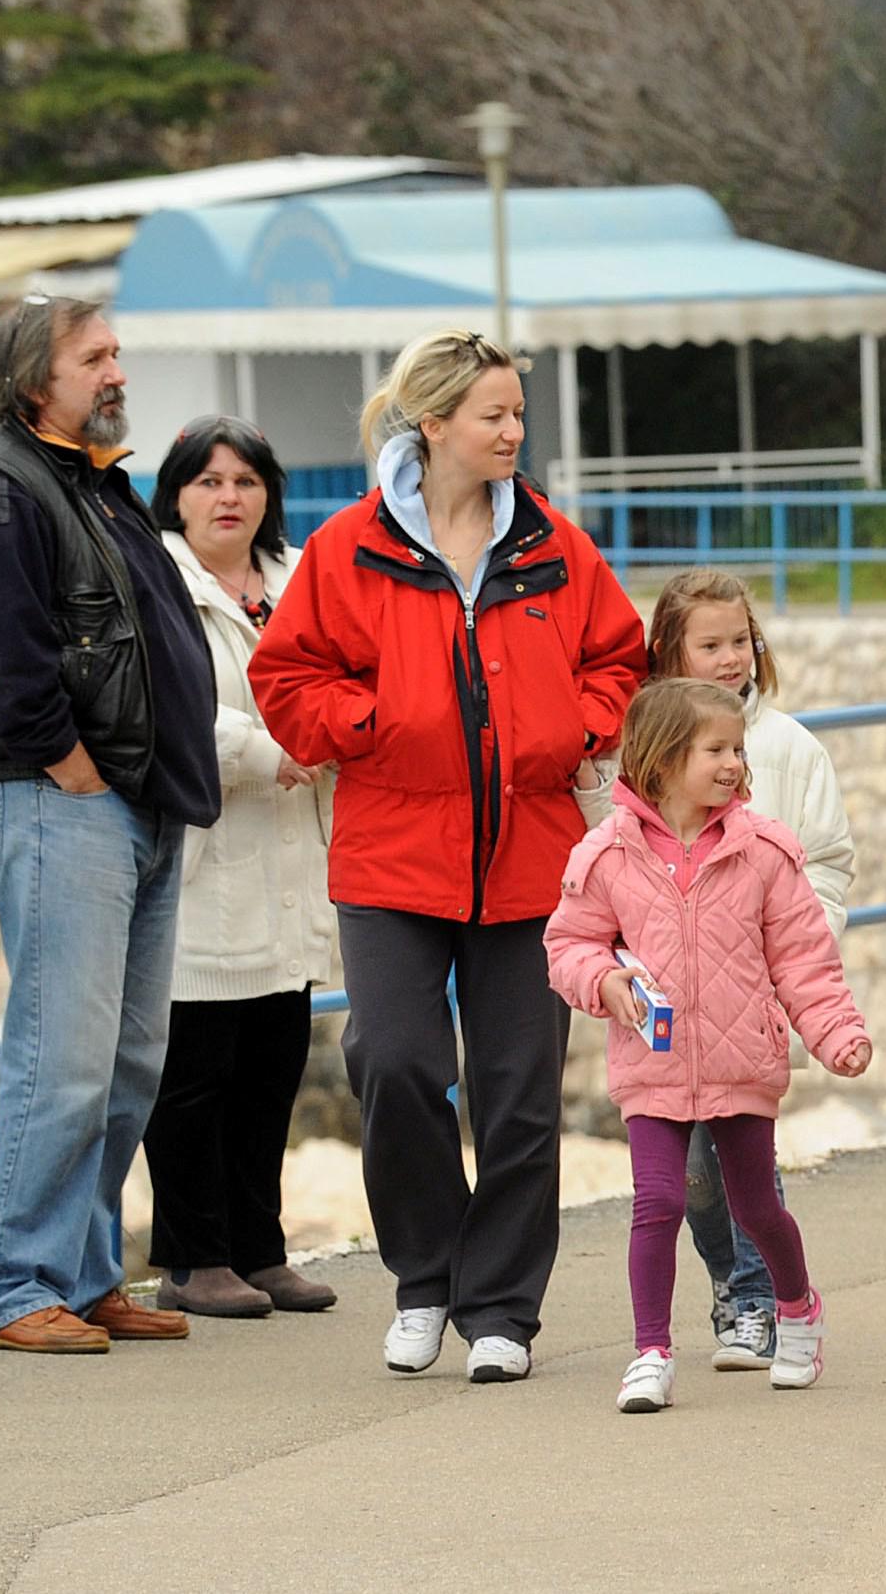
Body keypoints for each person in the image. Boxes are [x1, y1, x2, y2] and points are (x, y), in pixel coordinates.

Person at [249, 330, 645, 1384]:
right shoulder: (346, 549)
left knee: (520, 1091)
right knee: (393, 1062)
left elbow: (618, 657)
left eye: (519, 415)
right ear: (433, 425)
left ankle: (503, 1308)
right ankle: (424, 1283)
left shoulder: (557, 546)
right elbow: (285, 680)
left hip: (533, 860)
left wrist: (571, 726)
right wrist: (375, 722)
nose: (515, 432)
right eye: (495, 416)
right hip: (390, 856)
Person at [0, 294, 222, 1354]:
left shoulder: (98, 484)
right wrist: (75, 771)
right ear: (30, 380)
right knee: (60, 1053)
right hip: (62, 800)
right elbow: (0, 658)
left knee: (125, 1057)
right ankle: (18, 1288)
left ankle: (87, 1272)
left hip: (135, 799)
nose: (117, 373)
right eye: (93, 357)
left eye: (116, 354)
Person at [543, 678, 872, 1413]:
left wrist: (836, 1034)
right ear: (661, 761)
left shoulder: (764, 851)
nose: (732, 763)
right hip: (651, 1064)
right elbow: (568, 944)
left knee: (755, 1207)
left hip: (739, 1061)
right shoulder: (605, 854)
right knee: (656, 1202)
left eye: (737, 749)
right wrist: (602, 981)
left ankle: (797, 1309)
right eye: (714, 749)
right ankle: (651, 1352)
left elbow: (802, 960)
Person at [142, 417, 340, 1320]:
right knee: (194, 1073)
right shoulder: (154, 578)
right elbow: (159, 704)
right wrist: (270, 752)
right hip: (209, 849)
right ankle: (193, 1256)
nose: (229, 498)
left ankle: (261, 1247)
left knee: (274, 1061)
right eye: (209, 482)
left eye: (247, 481)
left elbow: (346, 673)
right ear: (176, 494)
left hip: (293, 849)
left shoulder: (303, 577)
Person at [642, 568, 853, 1371]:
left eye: (740, 640)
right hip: (667, 1000)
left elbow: (828, 862)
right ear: (669, 650)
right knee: (685, 1175)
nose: (730, 657)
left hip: (751, 994)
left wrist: (793, 942)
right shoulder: (643, 744)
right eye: (710, 644)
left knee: (737, 1160)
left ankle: (763, 1299)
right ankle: (738, 1286)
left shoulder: (789, 747)